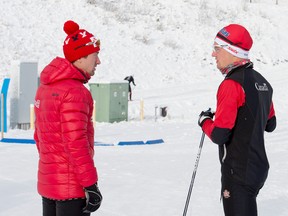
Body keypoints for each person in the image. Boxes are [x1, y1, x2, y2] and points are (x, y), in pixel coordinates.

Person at [198, 24, 276, 216]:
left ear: (232, 51)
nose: (213, 55)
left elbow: (219, 135)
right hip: (257, 168)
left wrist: (204, 121)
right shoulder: (262, 82)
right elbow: (270, 124)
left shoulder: (231, 85)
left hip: (238, 174)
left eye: (217, 49)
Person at [34, 20, 102, 216]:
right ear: (80, 57)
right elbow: (76, 143)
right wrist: (90, 184)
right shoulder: (75, 92)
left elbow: (40, 138)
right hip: (72, 189)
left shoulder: (45, 88)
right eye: (95, 55)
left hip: (49, 185)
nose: (98, 61)